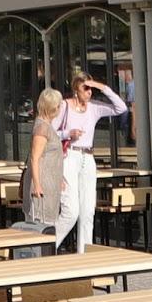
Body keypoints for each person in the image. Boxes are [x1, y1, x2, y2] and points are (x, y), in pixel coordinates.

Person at [54, 73, 127, 252]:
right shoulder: (65, 106)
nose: (89, 92)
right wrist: (67, 134)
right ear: (75, 90)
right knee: (71, 211)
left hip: (88, 157)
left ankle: (84, 254)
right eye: (85, 88)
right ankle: (47, 245)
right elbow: (48, 132)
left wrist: (102, 86)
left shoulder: (94, 108)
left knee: (88, 211)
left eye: (91, 89)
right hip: (70, 155)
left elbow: (121, 108)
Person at [22, 88, 64, 227]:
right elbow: (35, 158)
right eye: (58, 106)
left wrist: (60, 178)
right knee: (40, 227)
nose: (59, 109)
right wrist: (37, 185)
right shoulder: (42, 128)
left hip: (50, 184)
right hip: (42, 186)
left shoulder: (46, 126)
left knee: (48, 226)